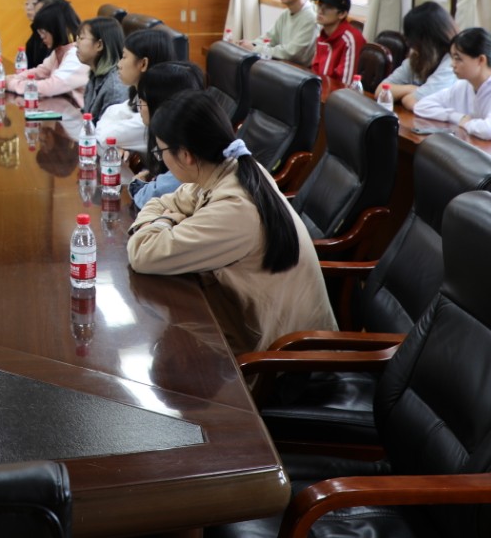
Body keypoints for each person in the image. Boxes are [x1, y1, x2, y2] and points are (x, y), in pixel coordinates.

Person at [127, 90, 337, 357]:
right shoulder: (227, 169)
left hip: (290, 359)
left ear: (187, 154)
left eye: (161, 151)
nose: (161, 158)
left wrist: (167, 218)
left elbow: (142, 253)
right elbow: (163, 201)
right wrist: (169, 217)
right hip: (247, 323)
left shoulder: (235, 208)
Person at [412, 27, 491, 155]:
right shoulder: (465, 85)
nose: (452, 64)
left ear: (481, 60)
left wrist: (467, 123)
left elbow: (489, 130)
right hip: (484, 154)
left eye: (458, 58)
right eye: (452, 58)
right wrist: (457, 117)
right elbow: (422, 106)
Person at [127, 60, 205, 210]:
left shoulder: (185, 150)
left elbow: (148, 197)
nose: (139, 107)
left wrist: (138, 184)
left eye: (142, 101)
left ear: (160, 104)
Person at [98, 26, 179, 149]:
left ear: (143, 63)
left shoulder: (154, 112)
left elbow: (105, 137)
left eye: (124, 57)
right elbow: (113, 111)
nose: (119, 64)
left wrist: (108, 127)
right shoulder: (140, 95)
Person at [381, 1, 458, 109]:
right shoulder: (417, 58)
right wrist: (411, 88)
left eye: (414, 43)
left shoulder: (452, 62)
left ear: (426, 41)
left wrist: (406, 93)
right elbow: (381, 91)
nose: (412, 48)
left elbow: (412, 101)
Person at [5, 1, 86, 101]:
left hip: (77, 109)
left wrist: (13, 84)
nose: (41, 37)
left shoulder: (77, 54)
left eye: (43, 32)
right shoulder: (60, 51)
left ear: (57, 29)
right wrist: (13, 78)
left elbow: (51, 86)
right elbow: (40, 72)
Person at [241, 0, 317, 65]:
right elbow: (269, 38)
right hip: (283, 66)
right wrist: (249, 44)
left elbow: (292, 53)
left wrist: (255, 48)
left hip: (299, 70)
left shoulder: (311, 17)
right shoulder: (286, 13)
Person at [76, 16, 130, 123]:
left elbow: (111, 129)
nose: (76, 44)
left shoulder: (114, 87)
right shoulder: (95, 74)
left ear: (99, 45)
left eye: (81, 38)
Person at [310, 0, 366, 86]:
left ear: (342, 14)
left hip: (338, 94)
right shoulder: (322, 37)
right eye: (320, 5)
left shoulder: (351, 39)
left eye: (328, 7)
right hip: (321, 91)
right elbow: (315, 73)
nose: (320, 11)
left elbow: (346, 86)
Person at [23, 0, 59, 68]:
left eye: (34, 3)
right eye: (27, 3)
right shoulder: (35, 31)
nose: (28, 8)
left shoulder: (52, 33)